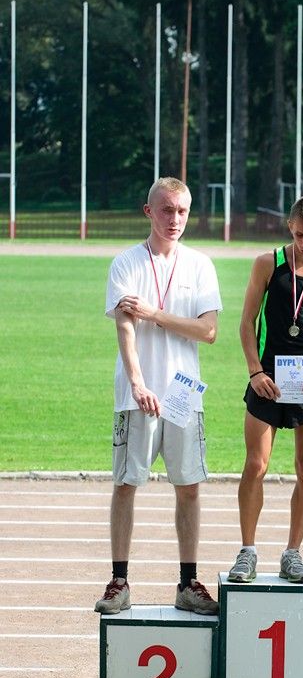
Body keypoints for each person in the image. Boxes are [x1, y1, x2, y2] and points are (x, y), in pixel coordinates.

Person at [95, 177, 222, 616]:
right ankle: (119, 581)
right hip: (138, 395)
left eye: (182, 211)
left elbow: (208, 331)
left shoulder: (200, 265)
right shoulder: (127, 263)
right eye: (167, 210)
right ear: (149, 211)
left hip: (184, 395)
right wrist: (137, 382)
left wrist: (155, 313)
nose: (175, 219)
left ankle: (188, 583)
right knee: (126, 484)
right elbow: (125, 328)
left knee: (188, 488)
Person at [227, 195, 303, 584]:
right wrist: (254, 371)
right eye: (299, 235)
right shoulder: (267, 264)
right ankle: (247, 551)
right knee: (256, 464)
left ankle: (293, 553)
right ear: (289, 228)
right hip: (267, 379)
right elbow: (247, 322)